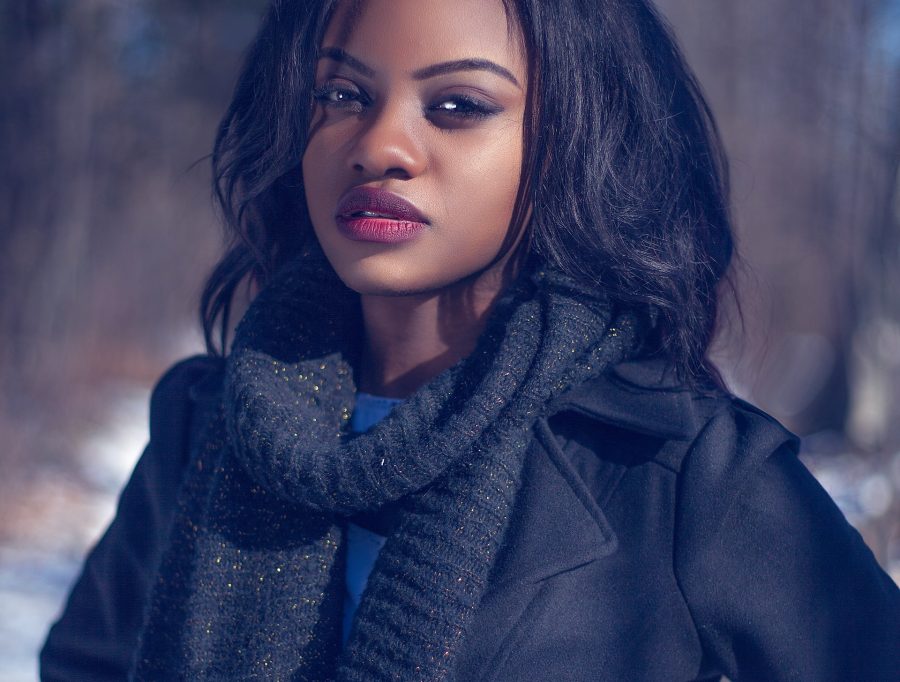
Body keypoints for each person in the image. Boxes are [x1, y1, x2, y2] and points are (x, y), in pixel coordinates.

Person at [41, 0, 899, 680]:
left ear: (570, 144)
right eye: (341, 96)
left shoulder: (684, 472)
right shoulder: (206, 425)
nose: (380, 146)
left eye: (458, 106)